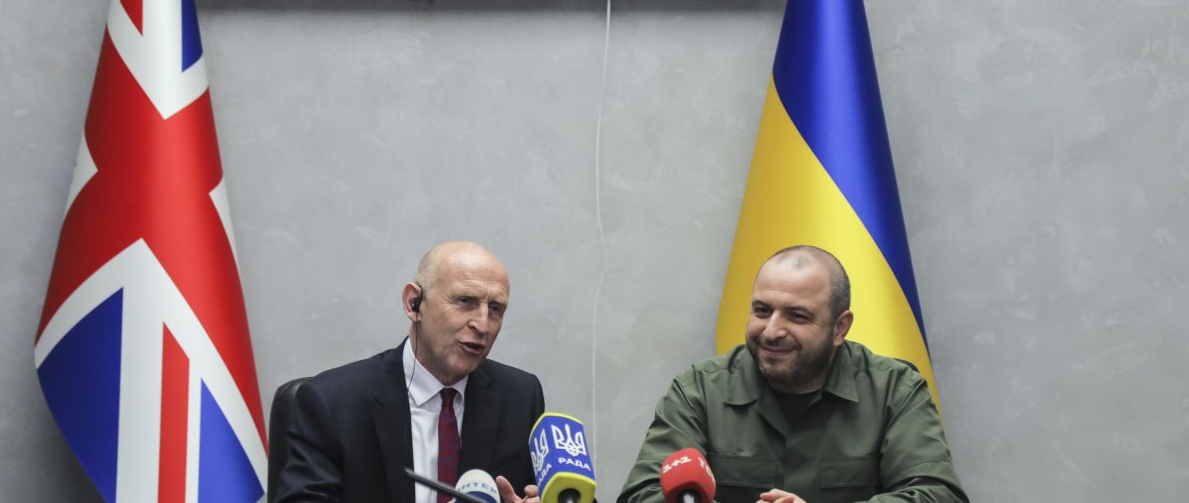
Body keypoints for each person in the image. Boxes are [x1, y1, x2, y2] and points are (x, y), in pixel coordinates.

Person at [618, 245, 967, 503]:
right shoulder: (699, 391)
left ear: (839, 327)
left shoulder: (895, 390)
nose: (771, 331)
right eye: (762, 310)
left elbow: (939, 494)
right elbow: (643, 494)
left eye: (797, 316)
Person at [276, 241, 545, 503]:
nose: (483, 325)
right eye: (465, 301)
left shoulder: (520, 397)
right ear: (413, 303)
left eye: (495, 308)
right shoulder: (333, 402)